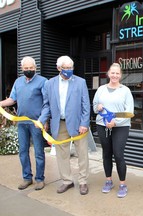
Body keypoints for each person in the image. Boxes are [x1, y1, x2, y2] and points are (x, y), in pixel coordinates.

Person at [38, 55, 90, 195]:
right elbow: (46, 105)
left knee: (82, 154)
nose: (68, 70)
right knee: (62, 155)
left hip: (79, 125)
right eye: (65, 68)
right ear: (58, 68)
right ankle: (67, 181)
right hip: (59, 124)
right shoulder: (50, 84)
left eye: (70, 67)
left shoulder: (80, 82)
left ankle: (83, 181)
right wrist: (42, 120)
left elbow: (86, 105)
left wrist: (84, 123)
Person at [0, 56, 47, 190]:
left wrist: (44, 120)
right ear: (22, 69)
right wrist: (1, 104)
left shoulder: (43, 81)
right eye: (26, 68)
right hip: (21, 123)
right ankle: (27, 178)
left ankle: (39, 179)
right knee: (22, 151)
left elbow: (46, 103)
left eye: (31, 68)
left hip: (36, 123)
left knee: (39, 151)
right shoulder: (18, 82)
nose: (28, 70)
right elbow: (12, 99)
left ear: (35, 68)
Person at [93, 63, 134, 198]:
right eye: (113, 73)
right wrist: (97, 107)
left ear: (120, 75)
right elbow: (94, 107)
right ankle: (108, 181)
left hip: (120, 127)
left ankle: (122, 184)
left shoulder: (125, 91)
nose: (115, 75)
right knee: (106, 153)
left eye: (117, 73)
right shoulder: (100, 89)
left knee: (118, 154)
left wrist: (115, 122)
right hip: (102, 125)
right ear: (108, 74)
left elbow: (129, 112)